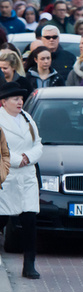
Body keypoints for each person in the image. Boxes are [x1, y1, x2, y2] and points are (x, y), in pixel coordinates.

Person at [0, 82, 39, 278]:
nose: (20, 102)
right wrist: (18, 160)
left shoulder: (27, 118)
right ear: (3, 102)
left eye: (21, 99)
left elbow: (38, 144)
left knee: (30, 221)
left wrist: (29, 158)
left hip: (27, 177)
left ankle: (29, 264)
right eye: (15, 99)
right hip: (7, 177)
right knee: (2, 218)